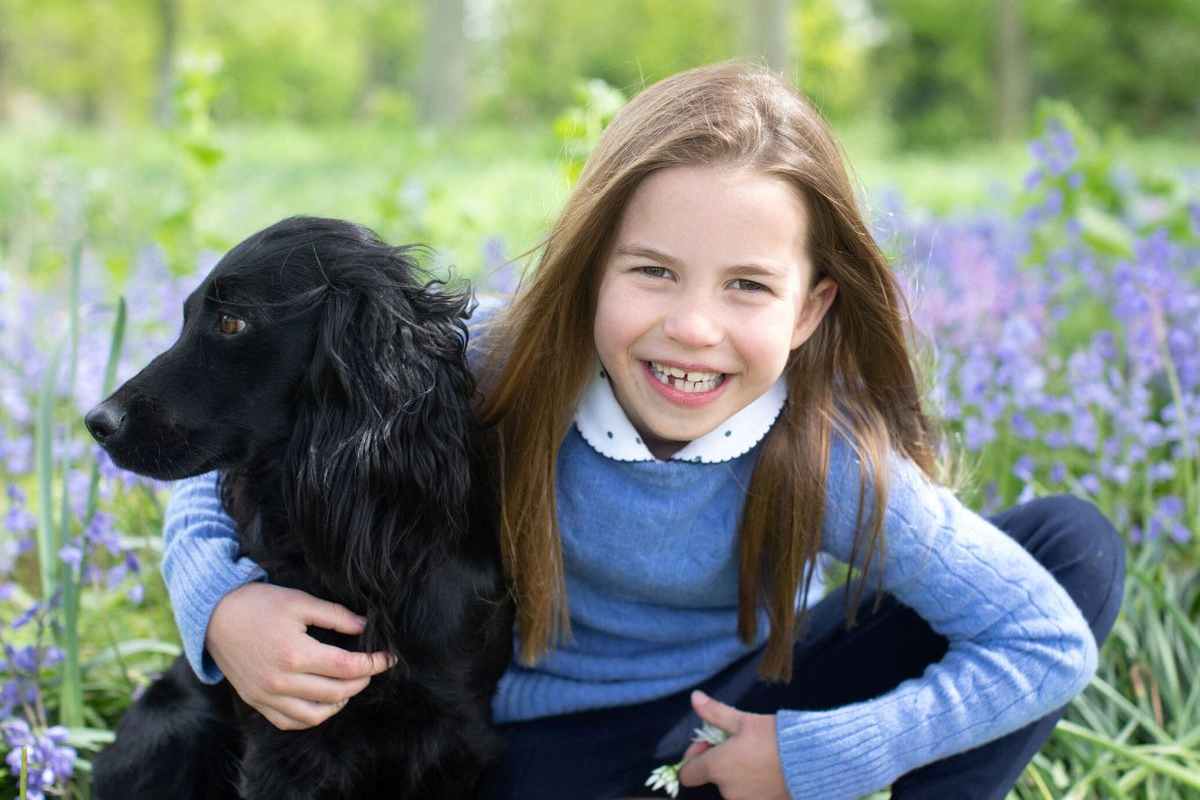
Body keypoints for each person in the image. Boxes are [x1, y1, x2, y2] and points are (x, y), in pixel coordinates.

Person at [160, 61, 1125, 800]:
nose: (692, 328)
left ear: (809, 310)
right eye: (652, 272)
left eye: (747, 285)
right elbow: (242, 433)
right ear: (590, 272)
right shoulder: (503, 364)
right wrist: (221, 610)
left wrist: (811, 757)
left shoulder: (821, 452)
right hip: (530, 749)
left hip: (729, 722)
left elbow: (1043, 639)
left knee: (1069, 547)